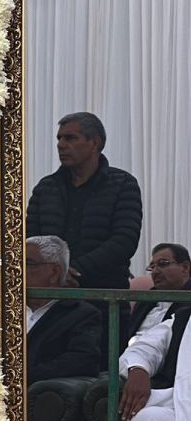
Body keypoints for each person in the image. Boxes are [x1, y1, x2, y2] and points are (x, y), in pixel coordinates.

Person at [26, 112, 142, 291]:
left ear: (95, 143)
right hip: (50, 296)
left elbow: (124, 241)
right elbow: (29, 239)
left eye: (70, 138)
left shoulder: (123, 184)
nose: (61, 145)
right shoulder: (46, 188)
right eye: (59, 138)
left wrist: (74, 272)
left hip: (103, 295)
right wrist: (53, 274)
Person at [25, 236, 101, 384]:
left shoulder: (80, 314)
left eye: (27, 263)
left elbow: (83, 360)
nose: (16, 270)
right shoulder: (3, 308)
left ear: (54, 272)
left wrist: (21, 375)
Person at [124, 243, 191, 343]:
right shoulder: (146, 300)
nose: (155, 271)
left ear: (185, 267)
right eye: (152, 267)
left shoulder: (187, 301)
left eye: (163, 264)